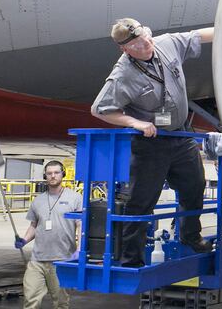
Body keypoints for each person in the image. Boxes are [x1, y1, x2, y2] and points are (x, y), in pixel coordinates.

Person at [91, 18, 214, 267]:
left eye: (146, 36)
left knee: (195, 186)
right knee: (141, 201)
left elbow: (197, 35)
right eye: (137, 44)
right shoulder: (123, 74)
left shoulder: (165, 44)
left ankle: (191, 236)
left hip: (181, 135)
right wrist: (134, 123)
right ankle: (131, 259)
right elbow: (100, 110)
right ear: (125, 49)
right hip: (152, 143)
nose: (146, 44)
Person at [15, 160, 82, 309]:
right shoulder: (37, 201)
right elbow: (33, 225)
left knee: (61, 303)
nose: (53, 176)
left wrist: (79, 250)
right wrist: (24, 240)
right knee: (30, 299)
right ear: (45, 176)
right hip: (37, 260)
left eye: (56, 172)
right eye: (49, 173)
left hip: (61, 260)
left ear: (63, 174)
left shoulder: (75, 198)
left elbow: (80, 225)